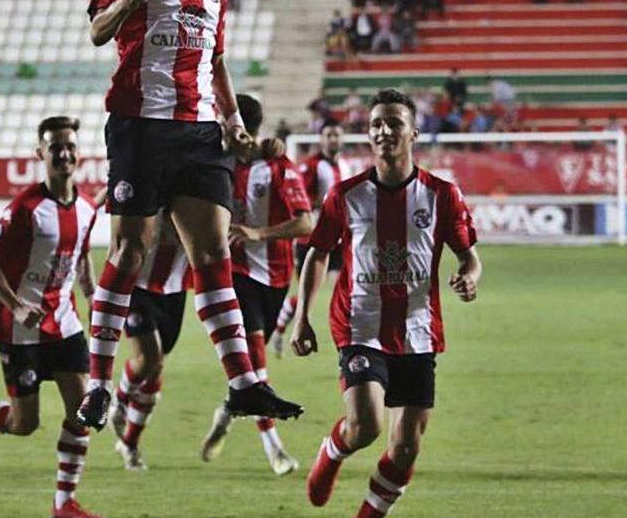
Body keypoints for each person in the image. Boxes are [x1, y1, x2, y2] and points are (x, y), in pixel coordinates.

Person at [80, 0, 302, 430]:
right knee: (129, 254)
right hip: (141, 126)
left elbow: (218, 59)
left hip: (201, 132)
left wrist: (231, 119)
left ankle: (244, 382)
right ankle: (99, 385)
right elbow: (97, 30)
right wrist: (127, 3)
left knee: (213, 253)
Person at [290, 88, 482, 518]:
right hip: (360, 325)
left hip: (418, 330)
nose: (384, 130)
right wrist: (302, 316)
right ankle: (333, 450)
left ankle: (371, 512)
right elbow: (318, 253)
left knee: (406, 446)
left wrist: (469, 276)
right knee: (366, 425)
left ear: (413, 132)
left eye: (394, 122)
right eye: (376, 123)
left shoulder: (442, 195)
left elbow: (469, 255)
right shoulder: (346, 194)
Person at [0, 116, 101, 518]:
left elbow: (82, 258)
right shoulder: (26, 208)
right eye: (55, 147)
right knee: (25, 424)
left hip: (65, 324)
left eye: (70, 146)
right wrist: (16, 304)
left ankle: (64, 504)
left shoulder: (88, 208)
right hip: (20, 329)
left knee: (83, 412)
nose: (64, 153)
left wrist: (92, 295)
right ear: (40, 154)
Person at [200, 94, 312, 476]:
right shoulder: (218, 162)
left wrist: (257, 232)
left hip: (276, 275)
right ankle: (275, 449)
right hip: (238, 275)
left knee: (248, 366)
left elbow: (305, 223)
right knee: (257, 360)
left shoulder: (277, 165)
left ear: (239, 128)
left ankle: (228, 411)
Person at [107, 208, 191, 471]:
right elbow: (118, 238)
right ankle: (119, 400)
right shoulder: (147, 195)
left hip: (174, 290)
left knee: (155, 370)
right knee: (149, 358)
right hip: (138, 287)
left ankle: (130, 444)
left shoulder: (197, 197)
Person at [270, 118, 351, 357]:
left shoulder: (345, 165)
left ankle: (348, 343)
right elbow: (296, 197)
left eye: (337, 134)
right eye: (329, 135)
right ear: (321, 139)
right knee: (311, 293)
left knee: (342, 288)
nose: (333, 139)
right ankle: (281, 325)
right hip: (312, 240)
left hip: (339, 237)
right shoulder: (310, 166)